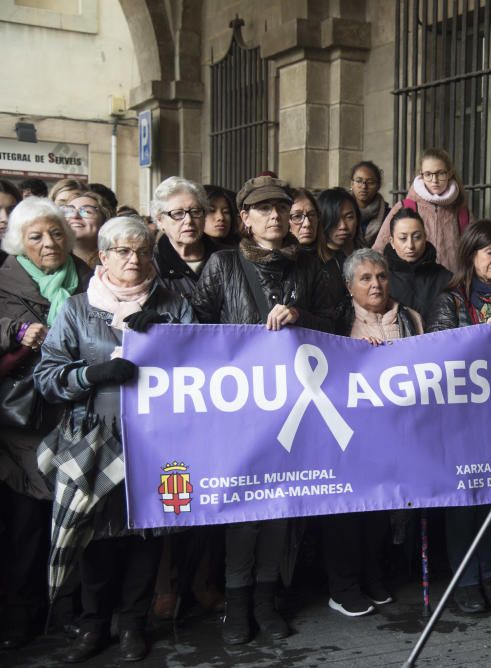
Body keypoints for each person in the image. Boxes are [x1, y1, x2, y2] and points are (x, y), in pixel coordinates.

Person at [34, 216, 194, 663]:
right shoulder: (76, 308)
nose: (135, 259)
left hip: (154, 437)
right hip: (93, 435)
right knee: (95, 535)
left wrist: (162, 333)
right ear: (102, 256)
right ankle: (92, 625)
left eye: (143, 250)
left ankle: (132, 625)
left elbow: (199, 369)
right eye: (123, 251)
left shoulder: (173, 304)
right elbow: (47, 379)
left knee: (146, 532)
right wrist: (92, 373)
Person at [190, 175, 339, 645]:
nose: (275, 216)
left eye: (282, 208)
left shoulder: (308, 268)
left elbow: (336, 323)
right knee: (242, 508)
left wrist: (302, 319)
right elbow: (196, 328)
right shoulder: (223, 265)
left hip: (293, 408)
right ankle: (236, 605)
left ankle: (265, 600)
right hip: (238, 409)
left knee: (279, 504)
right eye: (264, 210)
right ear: (246, 220)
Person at [426, 220, 491, 613]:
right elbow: (438, 356)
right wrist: (481, 335)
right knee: (464, 499)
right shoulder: (450, 300)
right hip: (459, 418)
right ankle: (465, 578)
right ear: (472, 254)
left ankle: (488, 571)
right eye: (489, 251)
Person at [0, 198, 91, 650]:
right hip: (26, 419)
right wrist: (14, 332)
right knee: (28, 520)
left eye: (56, 233)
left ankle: (67, 610)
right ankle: (22, 614)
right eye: (36, 236)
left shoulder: (88, 277)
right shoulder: (5, 281)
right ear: (20, 242)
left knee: (71, 516)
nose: (49, 243)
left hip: (76, 413)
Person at [323, 248, 423, 617]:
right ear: (350, 287)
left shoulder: (411, 318)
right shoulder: (336, 322)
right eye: (365, 278)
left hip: (395, 430)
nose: (375, 284)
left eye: (381, 276)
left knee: (381, 509)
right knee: (347, 511)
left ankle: (373, 576)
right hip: (347, 434)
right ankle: (343, 586)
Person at [373, 148, 474, 272]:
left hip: (452, 286)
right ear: (421, 175)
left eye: (440, 173)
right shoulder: (405, 207)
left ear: (449, 173)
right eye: (428, 174)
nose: (434, 180)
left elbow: (475, 252)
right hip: (411, 286)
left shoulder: (461, 212)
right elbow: (378, 251)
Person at [150, 177, 220, 300]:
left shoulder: (227, 258)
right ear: (160, 221)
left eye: (195, 211)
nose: (189, 220)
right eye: (177, 213)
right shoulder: (149, 264)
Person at [383, 206, 452, 321]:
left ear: (425, 237)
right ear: (392, 242)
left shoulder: (444, 278)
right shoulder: (381, 278)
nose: (410, 245)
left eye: (417, 237)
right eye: (403, 238)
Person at [61, 191, 113, 268]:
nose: (75, 216)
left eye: (86, 212)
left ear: (104, 221)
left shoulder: (115, 261)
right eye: (69, 211)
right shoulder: (52, 259)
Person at [318, 187, 363, 273]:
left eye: (349, 217)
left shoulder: (367, 257)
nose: (343, 226)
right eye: (335, 218)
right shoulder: (315, 264)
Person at [350, 161, 389, 246]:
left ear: (378, 186)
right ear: (352, 184)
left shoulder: (388, 215)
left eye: (370, 182)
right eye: (359, 181)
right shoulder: (341, 211)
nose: (364, 187)